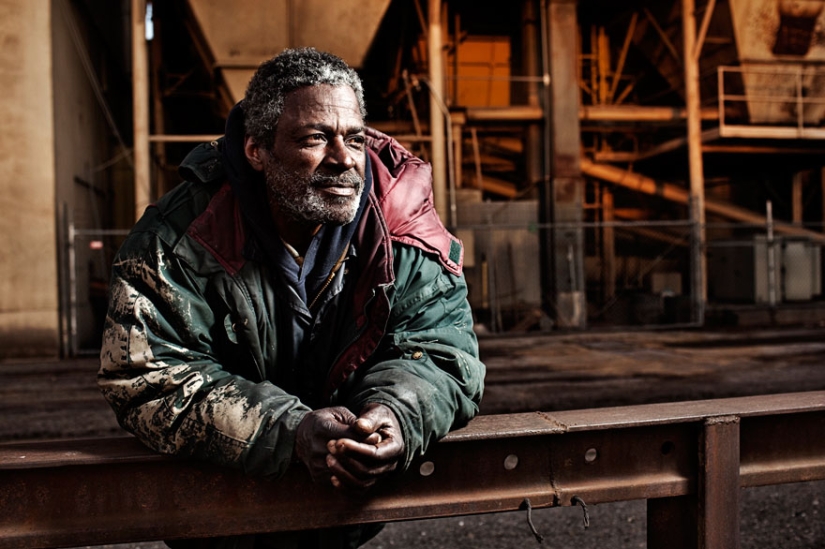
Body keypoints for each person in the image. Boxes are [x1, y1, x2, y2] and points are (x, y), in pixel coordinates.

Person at [98, 47, 485, 549]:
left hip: (343, 516)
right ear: (257, 149)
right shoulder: (180, 238)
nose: (344, 158)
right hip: (219, 521)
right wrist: (290, 430)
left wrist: (395, 412)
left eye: (354, 138)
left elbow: (440, 351)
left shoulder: (404, 231)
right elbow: (144, 375)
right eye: (315, 138)